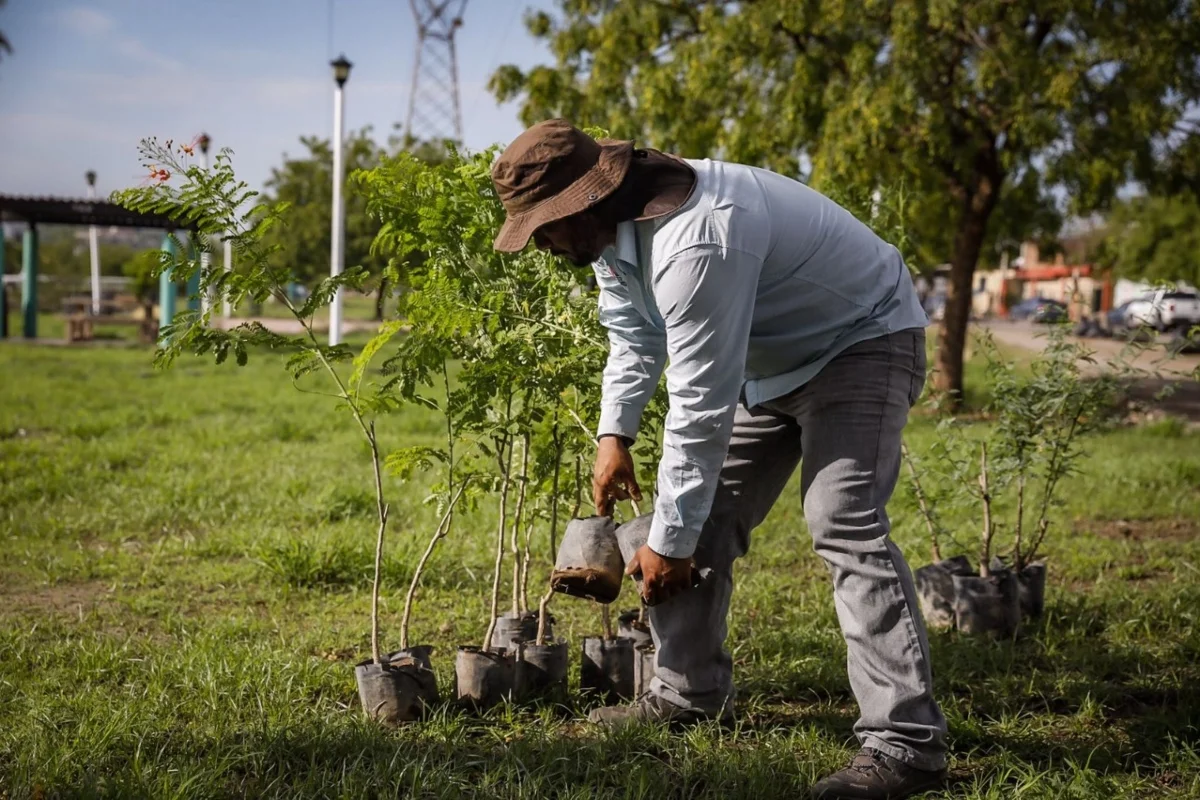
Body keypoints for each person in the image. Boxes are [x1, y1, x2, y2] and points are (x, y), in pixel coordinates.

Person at [490, 119, 948, 800]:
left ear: (584, 203)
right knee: (684, 524)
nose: (542, 244)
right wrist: (613, 435)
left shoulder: (698, 239)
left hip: (861, 339)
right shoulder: (611, 234)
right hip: (768, 365)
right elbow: (632, 334)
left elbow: (700, 407)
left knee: (841, 520)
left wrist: (672, 544)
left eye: (544, 226)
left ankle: (906, 744)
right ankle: (688, 693)